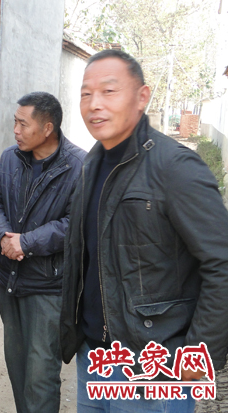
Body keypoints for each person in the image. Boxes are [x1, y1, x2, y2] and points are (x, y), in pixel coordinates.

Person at [59, 49, 228, 412]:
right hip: (97, 358)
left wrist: (200, 352)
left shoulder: (175, 167)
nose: (94, 104)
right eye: (86, 94)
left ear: (142, 97)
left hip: (154, 367)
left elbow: (222, 263)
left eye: (109, 91)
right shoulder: (91, 164)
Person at [0, 92, 86, 412]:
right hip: (10, 280)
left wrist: (26, 243)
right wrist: (3, 236)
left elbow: (75, 224)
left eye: (23, 124)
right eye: (15, 122)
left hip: (48, 287)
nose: (15, 130)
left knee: (40, 374)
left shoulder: (78, 166)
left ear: (47, 128)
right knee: (18, 367)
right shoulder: (10, 159)